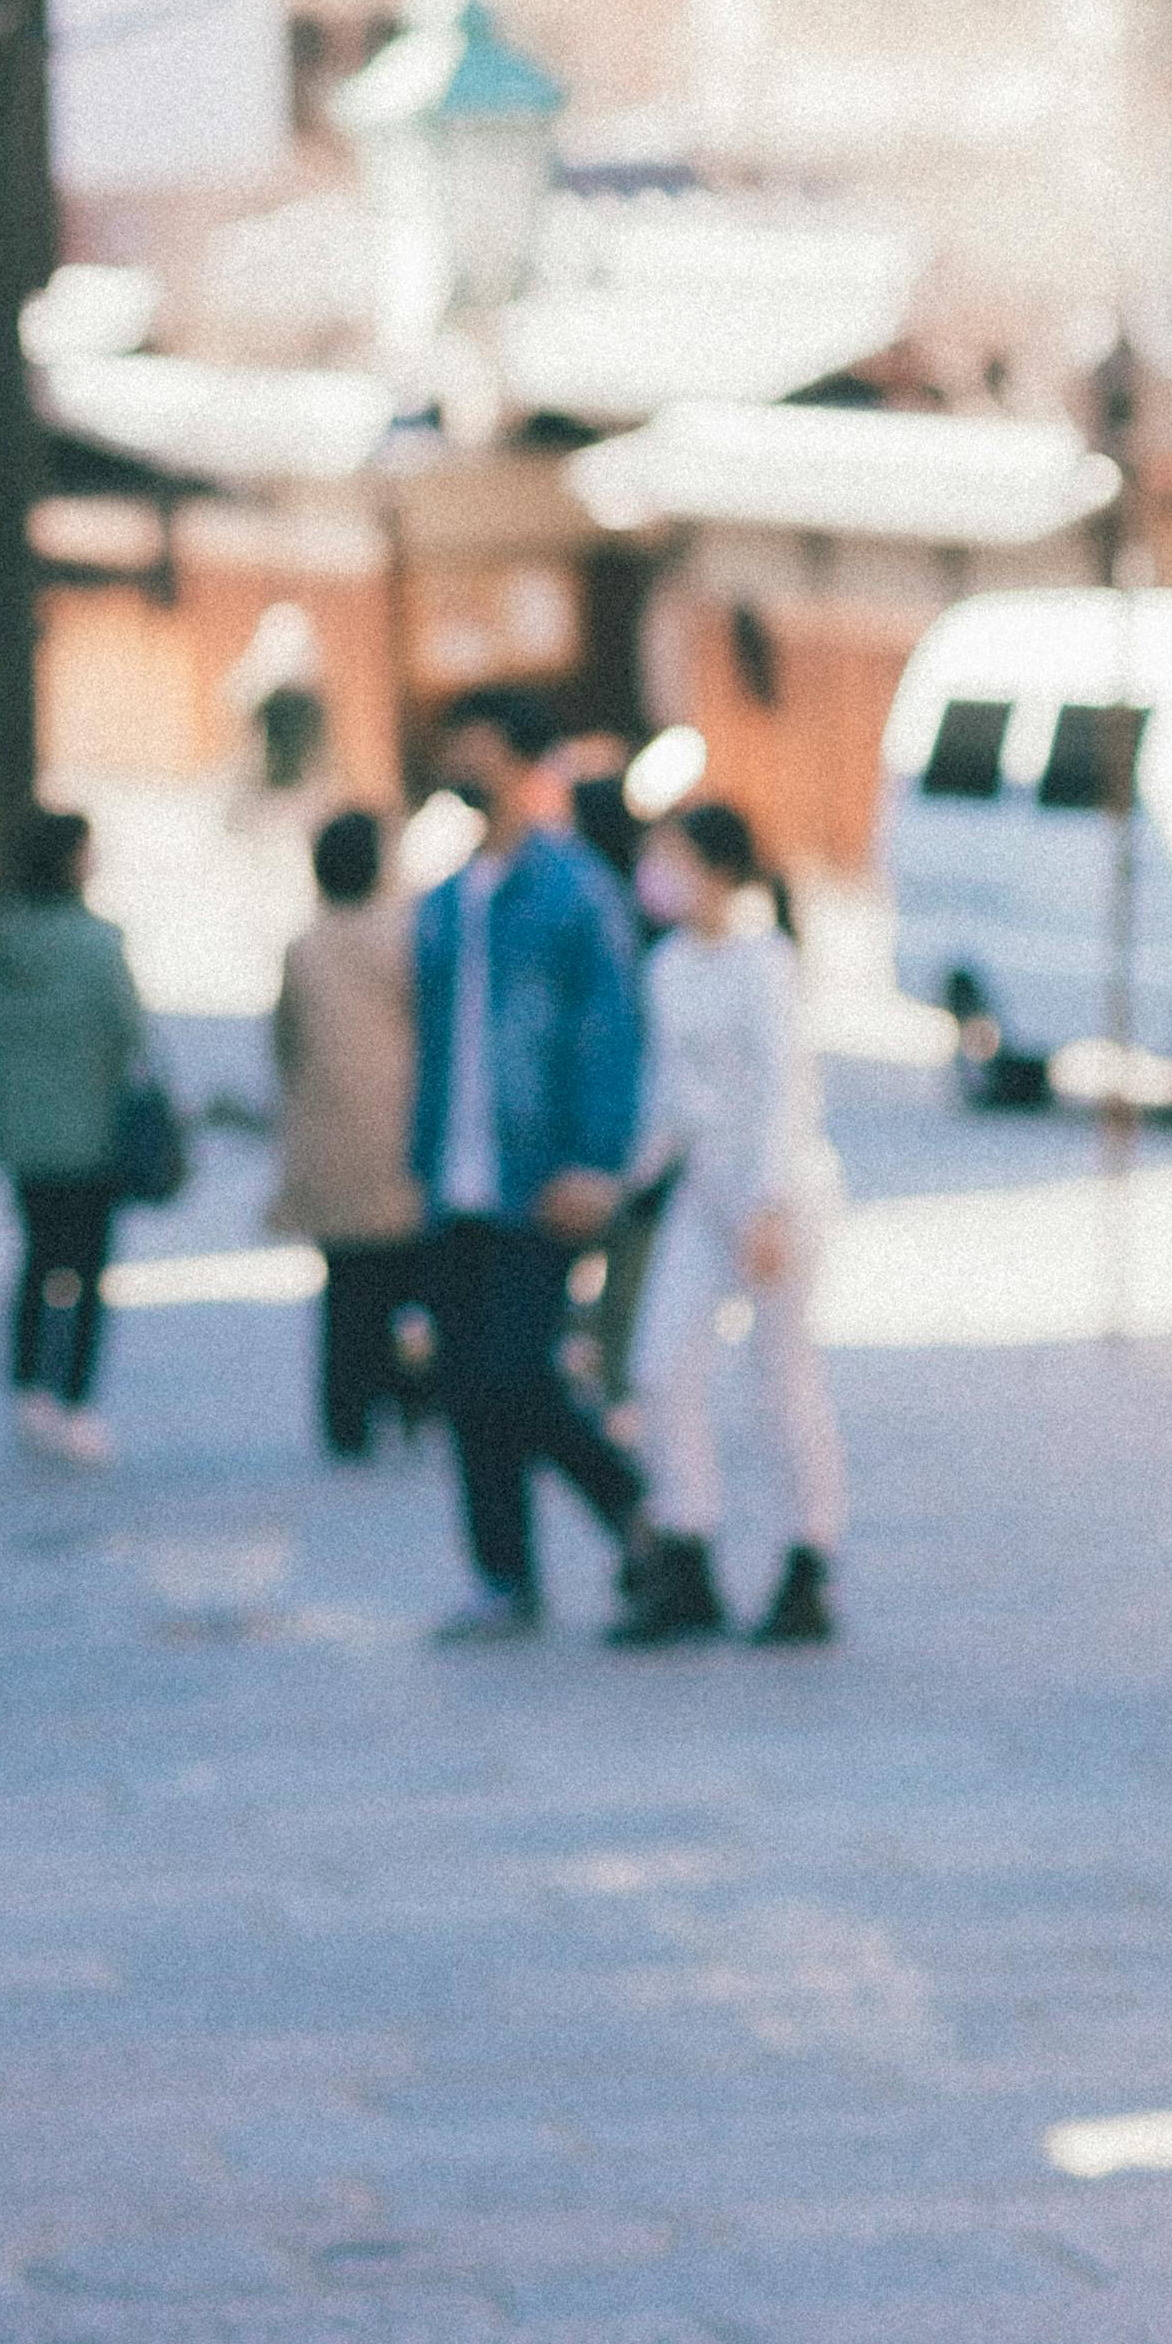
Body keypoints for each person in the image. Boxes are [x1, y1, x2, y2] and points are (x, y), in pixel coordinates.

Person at [409, 688, 652, 1638]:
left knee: (518, 1371)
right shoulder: (444, 898)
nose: (458, 766)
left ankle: (635, 1510)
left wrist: (597, 1160)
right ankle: (503, 1575)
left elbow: (609, 1036)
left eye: (470, 746)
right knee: (468, 1386)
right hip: (454, 1178)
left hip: (539, 1175)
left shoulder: (575, 892)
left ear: (513, 759)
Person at [613, 794, 847, 1647]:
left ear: (714, 866)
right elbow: (670, 1095)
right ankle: (688, 1542)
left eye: (672, 857)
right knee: (659, 1363)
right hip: (700, 1195)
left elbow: (786, 1089)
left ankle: (809, 1550)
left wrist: (770, 1204)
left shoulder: (765, 960)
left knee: (779, 1379)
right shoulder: (670, 965)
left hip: (774, 1200)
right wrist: (627, 1183)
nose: (656, 875)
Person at [0, 802, 145, 1463]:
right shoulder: (98, 944)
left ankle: (29, 1391)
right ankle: (75, 1402)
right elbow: (127, 1036)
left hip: (23, 1139)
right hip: (90, 1137)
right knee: (86, 1270)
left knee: (36, 1259)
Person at [276, 806, 428, 1454]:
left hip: (331, 1132)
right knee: (410, 1279)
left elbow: (287, 1042)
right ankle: (411, 1396)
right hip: (402, 1127)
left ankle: (347, 1416)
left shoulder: (305, 945)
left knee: (345, 1286)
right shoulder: (408, 933)